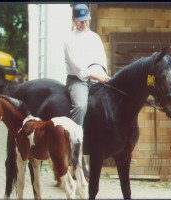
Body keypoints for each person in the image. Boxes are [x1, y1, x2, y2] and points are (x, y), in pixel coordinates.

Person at [64, 4, 111, 178]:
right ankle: (74, 152)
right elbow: (78, 69)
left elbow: (102, 59)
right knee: (81, 106)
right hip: (78, 80)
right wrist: (95, 77)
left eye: (86, 20)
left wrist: (103, 75)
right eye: (80, 21)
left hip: (99, 76)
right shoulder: (69, 41)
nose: (83, 24)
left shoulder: (95, 38)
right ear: (73, 21)